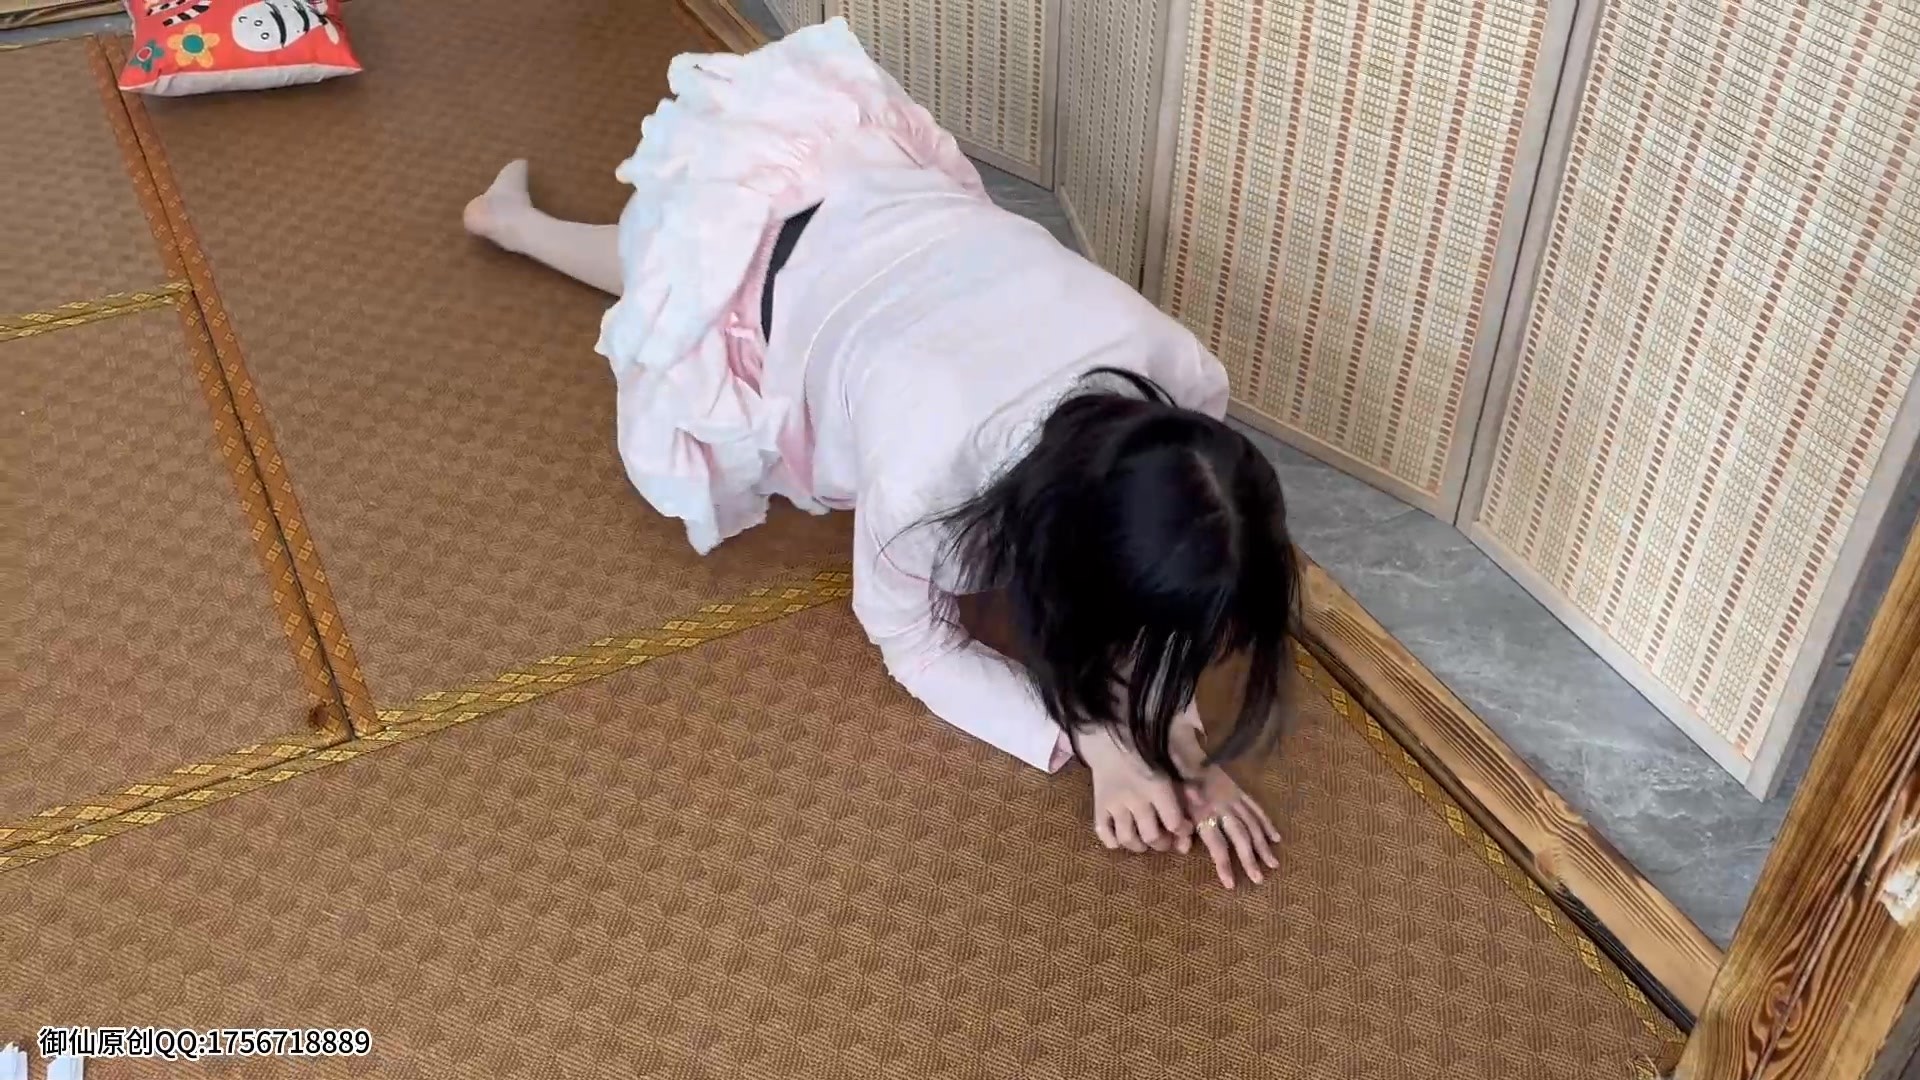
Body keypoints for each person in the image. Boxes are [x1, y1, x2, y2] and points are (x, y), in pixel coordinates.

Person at [462, 18, 1301, 889]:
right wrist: (1090, 737)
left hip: (897, 219)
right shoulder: (925, 482)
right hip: (787, 263)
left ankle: (520, 222)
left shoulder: (1181, 382)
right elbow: (915, 645)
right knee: (667, 286)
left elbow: (1149, 583)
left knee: (665, 270)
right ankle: (514, 224)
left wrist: (1175, 739)